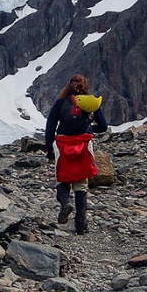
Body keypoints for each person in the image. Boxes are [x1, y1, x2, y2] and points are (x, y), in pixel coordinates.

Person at [44, 75, 108, 235]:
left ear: (69, 86)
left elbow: (51, 125)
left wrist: (49, 148)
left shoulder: (61, 102)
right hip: (84, 143)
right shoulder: (90, 102)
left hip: (63, 142)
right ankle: (81, 224)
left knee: (63, 178)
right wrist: (89, 129)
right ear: (85, 86)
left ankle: (65, 203)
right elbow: (104, 126)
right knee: (81, 183)